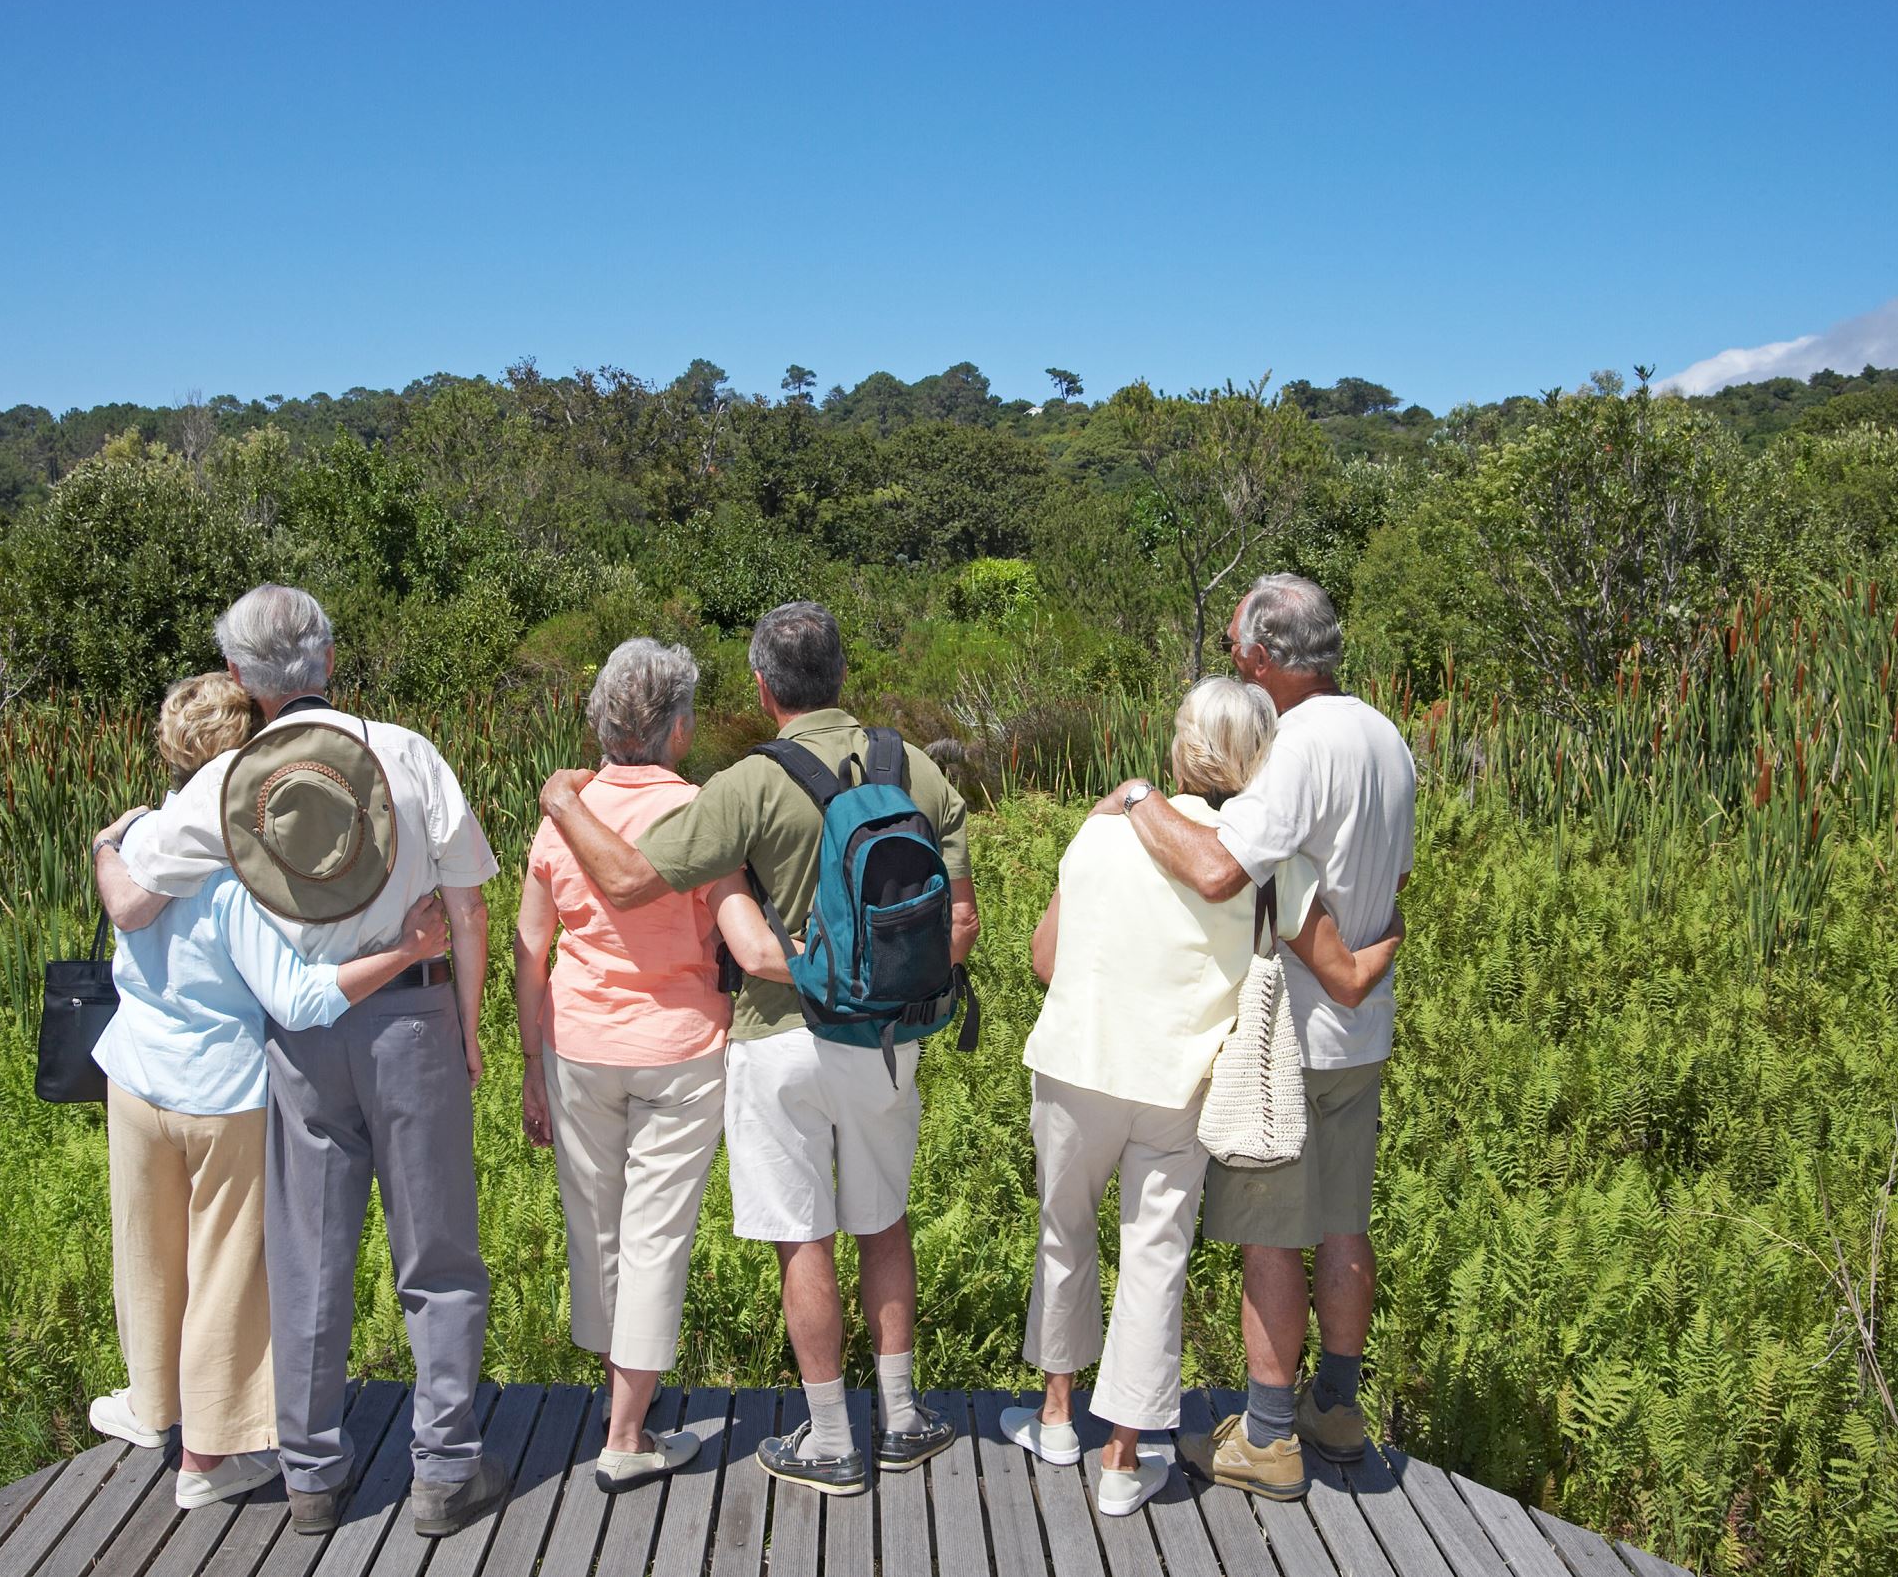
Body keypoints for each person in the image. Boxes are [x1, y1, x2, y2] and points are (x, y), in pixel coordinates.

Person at [537, 601, 977, 1496]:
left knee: (801, 1234)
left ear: (763, 686)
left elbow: (622, 879)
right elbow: (960, 922)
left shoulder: (749, 784)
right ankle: (899, 1418)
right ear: (841, 674)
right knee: (883, 1219)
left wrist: (559, 800)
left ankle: (827, 1440)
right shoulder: (918, 771)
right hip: (886, 1038)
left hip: (780, 1035)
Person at [98, 586, 506, 1541]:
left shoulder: (224, 780)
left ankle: (314, 1474)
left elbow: (133, 899)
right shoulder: (406, 753)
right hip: (413, 1020)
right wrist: (472, 1028)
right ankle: (446, 1467)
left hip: (298, 1042)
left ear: (241, 677)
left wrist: (109, 841)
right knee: (437, 1254)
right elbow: (471, 903)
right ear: (327, 658)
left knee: (310, 1254)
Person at [1009, 678, 1402, 1513]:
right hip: (1179, 1086)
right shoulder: (1270, 863)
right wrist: (1393, 926)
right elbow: (1347, 979)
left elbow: (1046, 962)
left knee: (1063, 1232)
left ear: (1181, 745)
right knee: (1155, 1259)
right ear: (1262, 756)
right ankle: (1122, 1459)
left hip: (1076, 1066)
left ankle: (1052, 1416)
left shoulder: (1105, 830)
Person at [1097, 575, 1417, 1499]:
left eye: (1240, 647)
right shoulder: (1383, 735)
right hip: (1363, 1028)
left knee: (1271, 1233)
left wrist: (1138, 799)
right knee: (1345, 1220)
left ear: (1265, 658)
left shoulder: (1299, 748)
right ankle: (1338, 1407)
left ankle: (1269, 1437)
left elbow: (1217, 868)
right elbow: (1389, 882)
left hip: (1293, 1036)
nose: (1235, 660)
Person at [515, 638, 797, 1492]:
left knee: (594, 1227)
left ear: (601, 720)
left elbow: (534, 943)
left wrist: (530, 1060)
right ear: (678, 728)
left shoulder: (564, 810)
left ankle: (619, 1403)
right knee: (654, 1238)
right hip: (682, 1047)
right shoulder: (702, 810)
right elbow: (733, 927)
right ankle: (627, 1431)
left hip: (578, 1044)